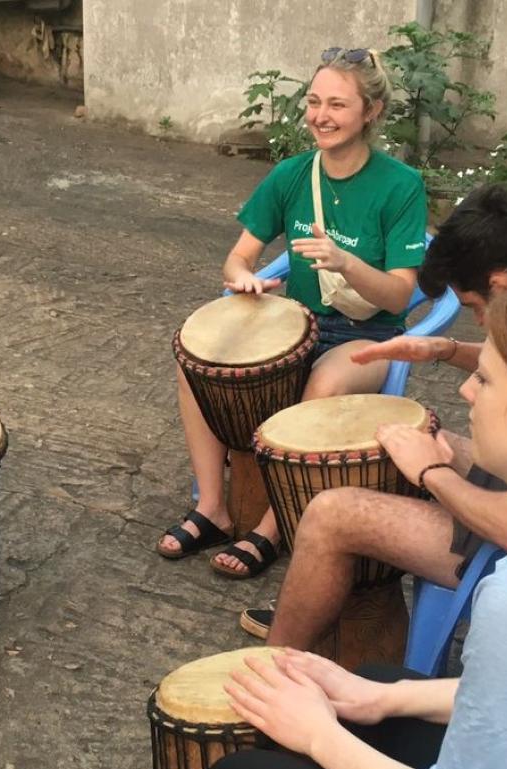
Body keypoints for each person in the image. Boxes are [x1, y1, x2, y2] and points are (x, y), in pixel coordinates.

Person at [188, 254, 507, 769]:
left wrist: (319, 735)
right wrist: (383, 698)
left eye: (486, 378)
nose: (466, 392)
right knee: (371, 685)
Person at [159, 47, 429, 579]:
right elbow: (238, 256)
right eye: (313, 101)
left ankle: (271, 528)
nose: (320, 116)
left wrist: (345, 262)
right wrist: (245, 279)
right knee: (196, 364)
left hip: (369, 336)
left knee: (326, 380)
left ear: (370, 111)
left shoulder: (401, 186)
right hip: (300, 323)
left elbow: (399, 297)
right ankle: (212, 506)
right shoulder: (290, 175)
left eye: (338, 105)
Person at [242, 183, 507, 642]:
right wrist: (443, 349)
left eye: (472, 308)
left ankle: (277, 661)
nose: (481, 323)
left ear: (502, 284)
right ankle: (322, 603)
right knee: (393, 438)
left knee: (332, 514)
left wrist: (431, 472)